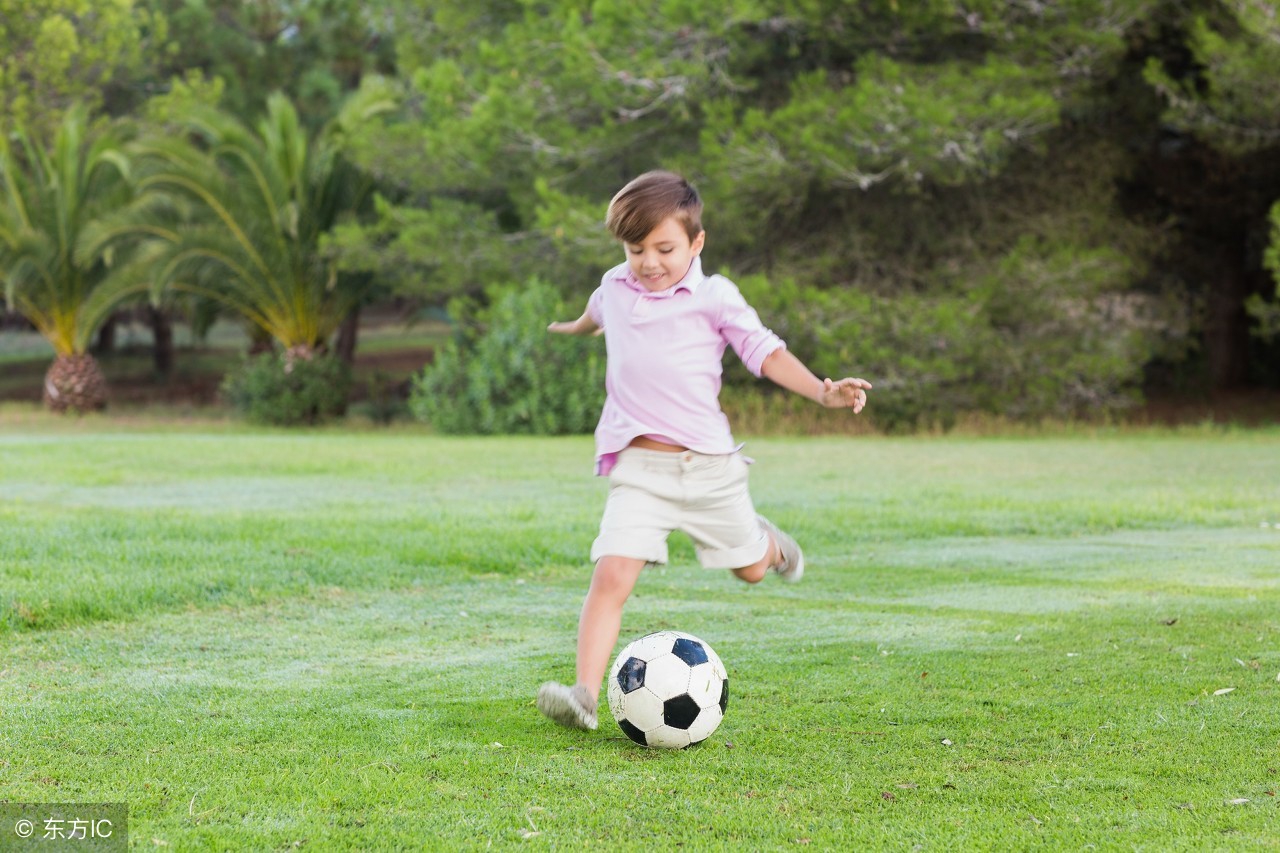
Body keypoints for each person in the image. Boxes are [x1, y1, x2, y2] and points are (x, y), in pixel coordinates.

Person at [536, 170, 872, 730]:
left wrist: (822, 390)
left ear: (696, 242)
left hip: (710, 469)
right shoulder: (615, 287)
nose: (648, 262)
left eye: (664, 248)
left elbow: (763, 352)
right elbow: (595, 312)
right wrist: (575, 328)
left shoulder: (715, 297)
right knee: (611, 574)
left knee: (750, 573)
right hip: (640, 470)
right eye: (635, 248)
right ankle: (584, 696)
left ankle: (768, 545)